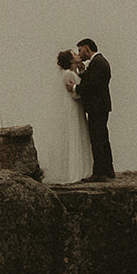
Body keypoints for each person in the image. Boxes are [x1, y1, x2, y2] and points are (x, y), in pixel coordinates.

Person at [44, 48, 91, 183]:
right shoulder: (67, 75)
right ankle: (74, 171)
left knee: (78, 134)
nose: (78, 55)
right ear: (71, 60)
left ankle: (79, 169)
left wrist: (81, 72)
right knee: (74, 134)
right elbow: (75, 94)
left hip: (75, 107)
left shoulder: (72, 73)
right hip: (73, 108)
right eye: (75, 54)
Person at [74, 38, 114, 181]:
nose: (79, 53)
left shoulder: (98, 63)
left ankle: (99, 173)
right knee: (102, 138)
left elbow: (92, 85)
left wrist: (74, 88)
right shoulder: (100, 62)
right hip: (101, 106)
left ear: (86, 48)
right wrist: (83, 72)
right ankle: (108, 170)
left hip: (97, 107)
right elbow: (93, 80)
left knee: (97, 139)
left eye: (80, 50)